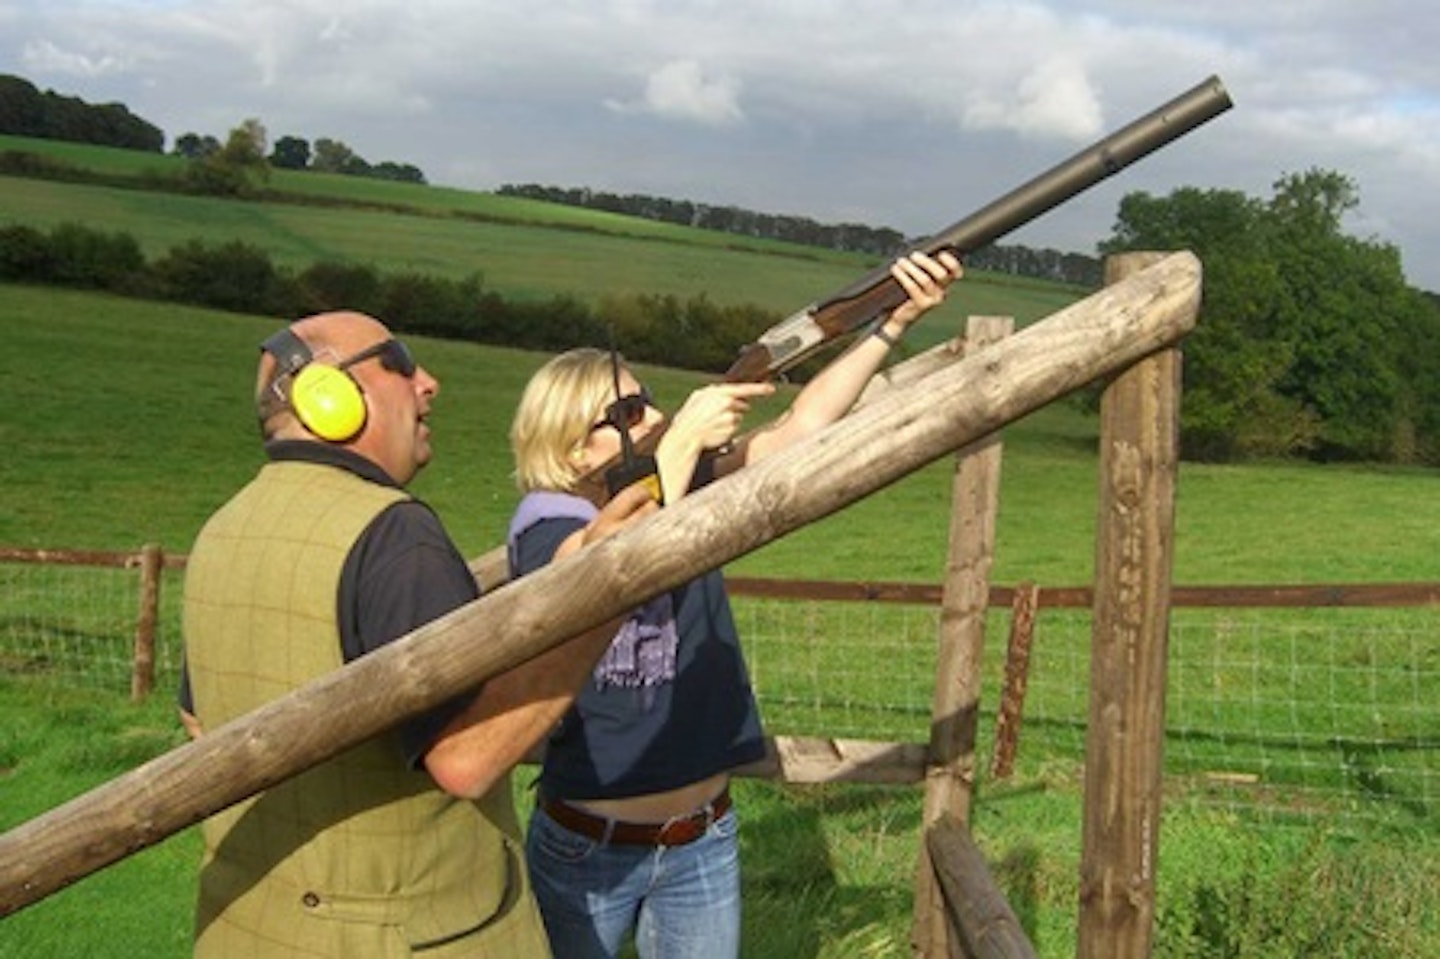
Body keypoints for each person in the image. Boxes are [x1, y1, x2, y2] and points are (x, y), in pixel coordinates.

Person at [506, 251, 963, 958]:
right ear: (568, 452)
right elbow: (607, 570)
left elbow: (797, 433)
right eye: (626, 413)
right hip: (587, 849)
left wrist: (888, 322)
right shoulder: (545, 525)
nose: (653, 416)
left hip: (704, 836)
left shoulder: (680, 482)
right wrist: (682, 442)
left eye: (649, 398)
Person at [178, 310, 655, 958]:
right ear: (332, 396)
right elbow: (466, 757)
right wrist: (609, 593)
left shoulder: (223, 529)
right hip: (410, 935)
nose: (429, 383)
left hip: (247, 925)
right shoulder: (395, 535)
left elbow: (200, 718)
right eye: (400, 362)